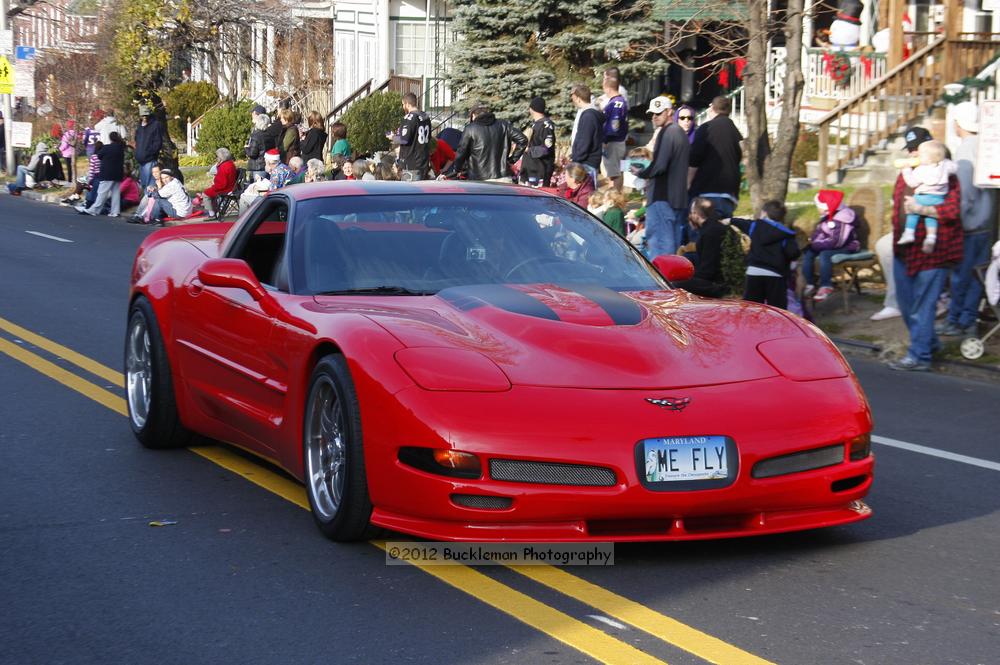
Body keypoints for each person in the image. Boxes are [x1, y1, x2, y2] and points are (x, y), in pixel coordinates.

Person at [887, 127, 963, 371]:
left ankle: (919, 356)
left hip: (932, 252)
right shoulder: (907, 173)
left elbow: (951, 212)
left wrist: (920, 209)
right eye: (909, 149)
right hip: (904, 251)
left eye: (916, 149)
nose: (912, 153)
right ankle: (929, 342)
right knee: (906, 304)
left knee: (923, 308)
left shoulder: (945, 175)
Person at [938, 102, 996, 337]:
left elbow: (964, 195)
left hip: (968, 226)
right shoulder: (988, 146)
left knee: (961, 276)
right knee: (977, 276)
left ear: (958, 123)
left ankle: (956, 321)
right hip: (987, 223)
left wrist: (953, 222)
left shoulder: (964, 152)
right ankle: (969, 319)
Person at [631, 96, 690, 259]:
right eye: (653, 114)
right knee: (672, 250)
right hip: (676, 200)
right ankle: (671, 282)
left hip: (662, 199)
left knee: (661, 251)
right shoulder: (679, 133)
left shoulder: (668, 131)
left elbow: (659, 166)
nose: (654, 117)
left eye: (658, 113)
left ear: (669, 111)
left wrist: (639, 171)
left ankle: (664, 284)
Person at [724, 200, 801, 309]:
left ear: (764, 213)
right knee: (777, 310)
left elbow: (740, 222)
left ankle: (751, 326)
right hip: (776, 275)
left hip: (754, 272)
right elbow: (793, 253)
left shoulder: (755, 226)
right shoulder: (786, 234)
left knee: (752, 308)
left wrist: (728, 220)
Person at [896, 139, 956, 252]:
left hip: (922, 197)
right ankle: (931, 237)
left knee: (912, 212)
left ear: (928, 158)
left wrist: (906, 169)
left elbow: (912, 182)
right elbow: (954, 167)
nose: (916, 156)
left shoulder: (921, 170)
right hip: (938, 198)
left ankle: (909, 233)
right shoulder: (945, 166)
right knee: (931, 218)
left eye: (919, 154)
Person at [688, 96, 743, 218]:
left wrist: (688, 184)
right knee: (722, 233)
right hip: (730, 192)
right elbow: (741, 156)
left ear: (711, 108)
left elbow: (694, 160)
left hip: (707, 191)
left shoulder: (706, 129)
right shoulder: (735, 132)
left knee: (704, 232)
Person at [443, 102, 527, 182]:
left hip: (478, 179)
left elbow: (461, 152)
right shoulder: (503, 125)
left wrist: (457, 169)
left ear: (473, 115)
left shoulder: (470, 129)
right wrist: (511, 161)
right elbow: (522, 140)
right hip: (503, 176)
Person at [802, 189, 860, 302]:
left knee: (825, 254)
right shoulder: (827, 216)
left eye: (817, 206)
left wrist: (817, 245)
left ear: (825, 207)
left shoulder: (842, 219)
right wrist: (813, 243)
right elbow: (819, 233)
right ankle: (809, 283)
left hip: (846, 247)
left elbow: (838, 241)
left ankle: (826, 285)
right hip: (830, 245)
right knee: (808, 252)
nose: (817, 208)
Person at [673, 197, 728, 298]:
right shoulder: (714, 227)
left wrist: (690, 277)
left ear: (695, 213)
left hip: (716, 283)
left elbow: (708, 270)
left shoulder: (710, 232)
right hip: (717, 279)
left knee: (673, 285)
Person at [77, 131, 125, 217]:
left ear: (110, 138)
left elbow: (99, 156)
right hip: (118, 174)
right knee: (115, 193)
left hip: (107, 173)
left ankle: (94, 210)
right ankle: (115, 212)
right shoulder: (121, 148)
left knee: (102, 193)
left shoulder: (106, 148)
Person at [389, 92, 432, 180]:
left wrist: (393, 137)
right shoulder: (425, 117)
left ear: (407, 104)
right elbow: (429, 137)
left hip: (411, 164)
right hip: (423, 162)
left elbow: (404, 140)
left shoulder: (409, 117)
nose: (403, 107)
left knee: (409, 192)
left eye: (403, 104)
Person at [569, 85, 604, 185]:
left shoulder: (589, 116)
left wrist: (576, 159)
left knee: (585, 194)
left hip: (586, 163)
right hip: (586, 161)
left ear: (579, 99)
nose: (573, 102)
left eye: (574, 99)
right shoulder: (588, 114)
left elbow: (585, 141)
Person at [520, 97, 556, 186]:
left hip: (539, 171)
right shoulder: (535, 124)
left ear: (532, 109)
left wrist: (529, 150)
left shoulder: (545, 126)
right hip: (530, 170)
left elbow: (547, 148)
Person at [601, 77, 628, 191]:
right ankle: (617, 196)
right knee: (618, 171)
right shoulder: (622, 101)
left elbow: (614, 126)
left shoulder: (616, 103)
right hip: (620, 141)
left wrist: (605, 139)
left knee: (614, 173)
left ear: (608, 88)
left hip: (614, 142)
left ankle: (615, 198)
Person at [134, 105, 165, 191]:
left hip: (150, 160)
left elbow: (158, 142)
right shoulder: (139, 126)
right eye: (142, 115)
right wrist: (137, 152)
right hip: (141, 160)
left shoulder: (155, 125)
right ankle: (148, 203)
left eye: (146, 115)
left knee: (151, 185)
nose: (144, 117)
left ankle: (152, 203)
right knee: (144, 184)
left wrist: (149, 153)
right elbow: (137, 140)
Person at [202, 147, 237, 217]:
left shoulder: (224, 167)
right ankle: (215, 210)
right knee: (210, 191)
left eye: (217, 157)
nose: (216, 158)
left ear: (221, 157)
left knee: (205, 194)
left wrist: (213, 187)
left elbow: (221, 184)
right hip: (231, 186)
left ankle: (212, 214)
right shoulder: (230, 164)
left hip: (226, 189)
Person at [245, 113, 272, 182]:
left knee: (258, 188)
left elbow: (252, 153)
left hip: (257, 166)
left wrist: (246, 148)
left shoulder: (256, 136)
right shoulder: (269, 135)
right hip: (267, 164)